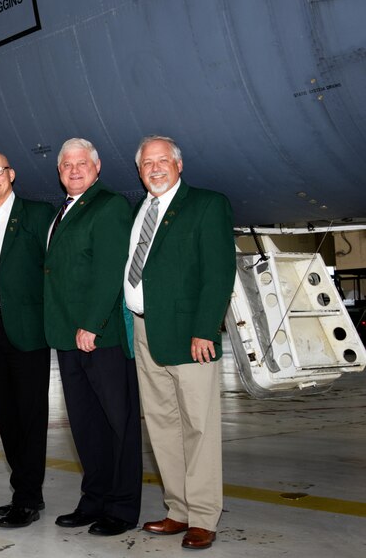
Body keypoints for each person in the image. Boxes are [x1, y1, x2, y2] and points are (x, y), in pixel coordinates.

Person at [125, 135, 235, 550]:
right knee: (162, 426)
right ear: (139, 171)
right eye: (147, 163)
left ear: (179, 165)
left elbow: (218, 271)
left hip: (191, 335)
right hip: (144, 329)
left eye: (162, 160)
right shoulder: (142, 208)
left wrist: (206, 328)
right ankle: (178, 509)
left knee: (198, 426)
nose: (154, 168)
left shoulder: (207, 204)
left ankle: (204, 515)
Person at [44, 138, 142, 536]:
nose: (74, 169)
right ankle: (95, 497)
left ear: (97, 168)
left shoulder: (109, 206)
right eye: (67, 164)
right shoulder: (63, 212)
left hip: (99, 337)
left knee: (118, 423)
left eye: (82, 163)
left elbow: (110, 271)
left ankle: (121, 506)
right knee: (85, 425)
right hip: (69, 337)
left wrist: (93, 324)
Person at [0, 152, 53, 528]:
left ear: (11, 174)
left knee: (31, 416)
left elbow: (54, 269)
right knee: (6, 417)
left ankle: (28, 498)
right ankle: (24, 490)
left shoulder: (37, 214)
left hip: (28, 329)